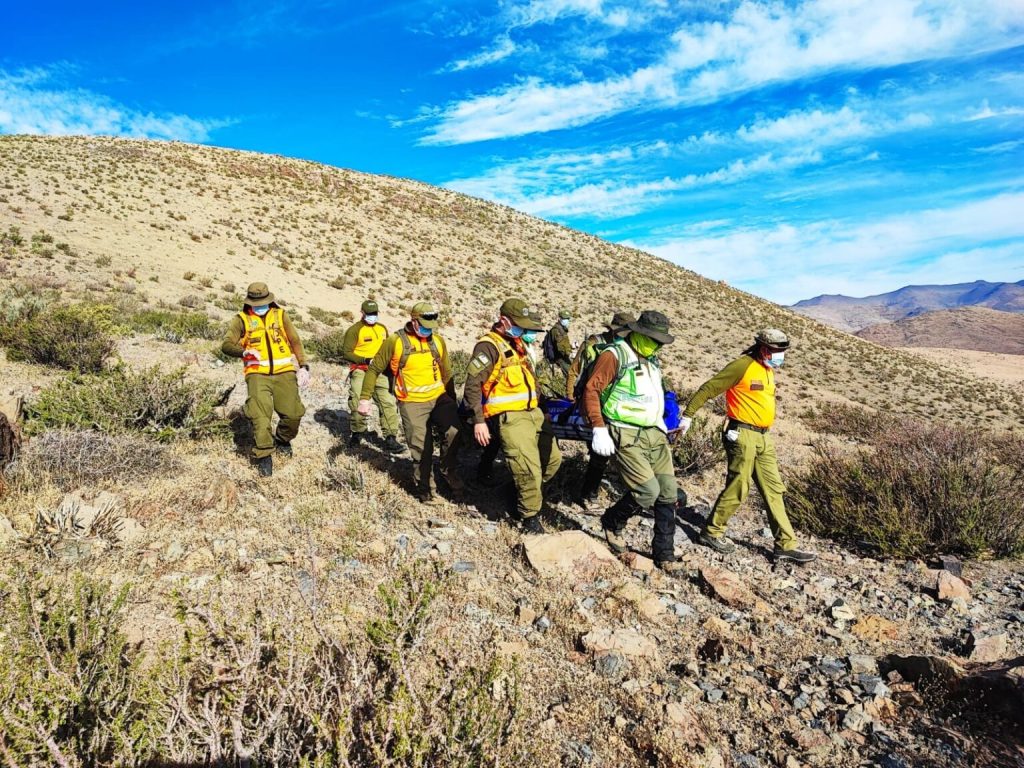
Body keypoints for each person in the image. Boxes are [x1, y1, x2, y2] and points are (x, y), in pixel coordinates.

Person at [680, 328, 816, 563]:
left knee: (774, 489)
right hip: (741, 434)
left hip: (764, 437)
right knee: (739, 486)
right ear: (764, 348)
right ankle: (711, 532)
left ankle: (785, 545)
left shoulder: (767, 370)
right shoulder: (742, 365)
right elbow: (709, 388)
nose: (780, 356)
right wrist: (688, 415)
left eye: (783, 352)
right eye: (777, 351)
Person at [583, 310, 683, 573]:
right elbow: (592, 390)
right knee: (648, 491)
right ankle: (611, 521)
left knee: (668, 493)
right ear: (638, 333)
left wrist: (663, 420)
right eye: (653, 338)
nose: (658, 344)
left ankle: (665, 554)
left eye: (661, 340)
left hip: (654, 433)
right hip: (625, 432)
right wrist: (599, 428)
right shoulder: (614, 355)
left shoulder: (652, 361)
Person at [464, 299, 562, 533]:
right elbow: (472, 385)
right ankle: (529, 517)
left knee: (552, 461)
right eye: (520, 325)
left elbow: (531, 379)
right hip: (510, 418)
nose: (524, 331)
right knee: (528, 468)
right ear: (504, 321)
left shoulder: (517, 345)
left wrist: (544, 410)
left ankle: (518, 491)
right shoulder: (488, 346)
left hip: (534, 413)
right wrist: (479, 421)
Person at [357, 302, 463, 504]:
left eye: (431, 326)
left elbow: (446, 373)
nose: (428, 330)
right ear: (414, 322)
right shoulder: (395, 342)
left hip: (439, 398)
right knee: (421, 447)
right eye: (424, 325)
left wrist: (451, 399)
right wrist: (364, 399)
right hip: (412, 402)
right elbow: (374, 369)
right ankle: (426, 491)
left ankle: (448, 471)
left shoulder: (438, 342)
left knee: (454, 432)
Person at [222, 282, 310, 477]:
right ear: (249, 302)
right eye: (257, 303)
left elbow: (295, 341)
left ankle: (282, 440)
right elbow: (226, 345)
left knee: (293, 414)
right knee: (260, 416)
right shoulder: (241, 320)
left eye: (264, 302)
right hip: (257, 374)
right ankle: (264, 455)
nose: (261, 306)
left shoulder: (280, 315)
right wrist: (244, 351)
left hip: (284, 372)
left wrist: (303, 366)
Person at [566, 311, 634, 511]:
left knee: (606, 452)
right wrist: (570, 397)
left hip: (614, 404)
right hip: (593, 401)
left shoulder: (625, 350)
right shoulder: (594, 345)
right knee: (599, 454)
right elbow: (574, 371)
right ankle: (589, 493)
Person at [341, 299, 402, 452]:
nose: (372, 316)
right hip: (361, 369)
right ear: (362, 313)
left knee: (387, 401)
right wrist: (365, 360)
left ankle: (390, 437)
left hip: (380, 371)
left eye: (374, 314)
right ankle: (357, 433)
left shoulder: (382, 329)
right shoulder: (355, 330)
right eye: (369, 314)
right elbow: (346, 353)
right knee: (356, 398)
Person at [547, 309, 574, 374]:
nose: (567, 320)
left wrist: (570, 346)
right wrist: (570, 354)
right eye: (565, 318)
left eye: (568, 319)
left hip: (562, 356)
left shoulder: (561, 329)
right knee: (571, 374)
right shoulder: (558, 331)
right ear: (560, 318)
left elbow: (562, 343)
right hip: (559, 358)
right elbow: (560, 348)